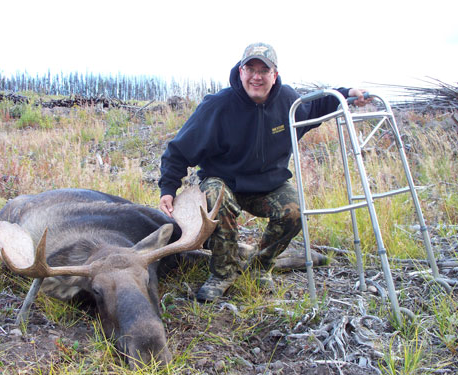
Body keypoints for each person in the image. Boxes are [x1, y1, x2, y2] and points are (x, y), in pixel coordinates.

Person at [158, 42, 369, 302]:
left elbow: (317, 106)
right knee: (215, 195)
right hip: (225, 182)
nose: (257, 76)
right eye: (251, 69)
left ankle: (260, 267)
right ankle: (223, 273)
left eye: (264, 70)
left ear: (275, 75)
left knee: (293, 211)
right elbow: (179, 150)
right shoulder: (217, 106)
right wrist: (168, 188)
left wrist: (347, 93)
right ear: (241, 71)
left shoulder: (288, 101)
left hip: (268, 186)